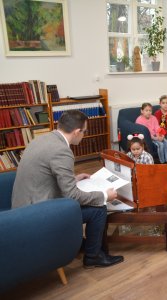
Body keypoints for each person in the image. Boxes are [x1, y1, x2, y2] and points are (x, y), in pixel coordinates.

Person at [12, 110, 123, 268]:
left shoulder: (43, 138)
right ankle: (93, 256)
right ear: (77, 132)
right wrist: (104, 195)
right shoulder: (62, 151)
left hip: (23, 204)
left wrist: (73, 179)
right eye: (84, 132)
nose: (84, 135)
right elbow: (72, 196)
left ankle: (81, 245)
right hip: (34, 215)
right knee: (99, 209)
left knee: (89, 201)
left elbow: (46, 175)